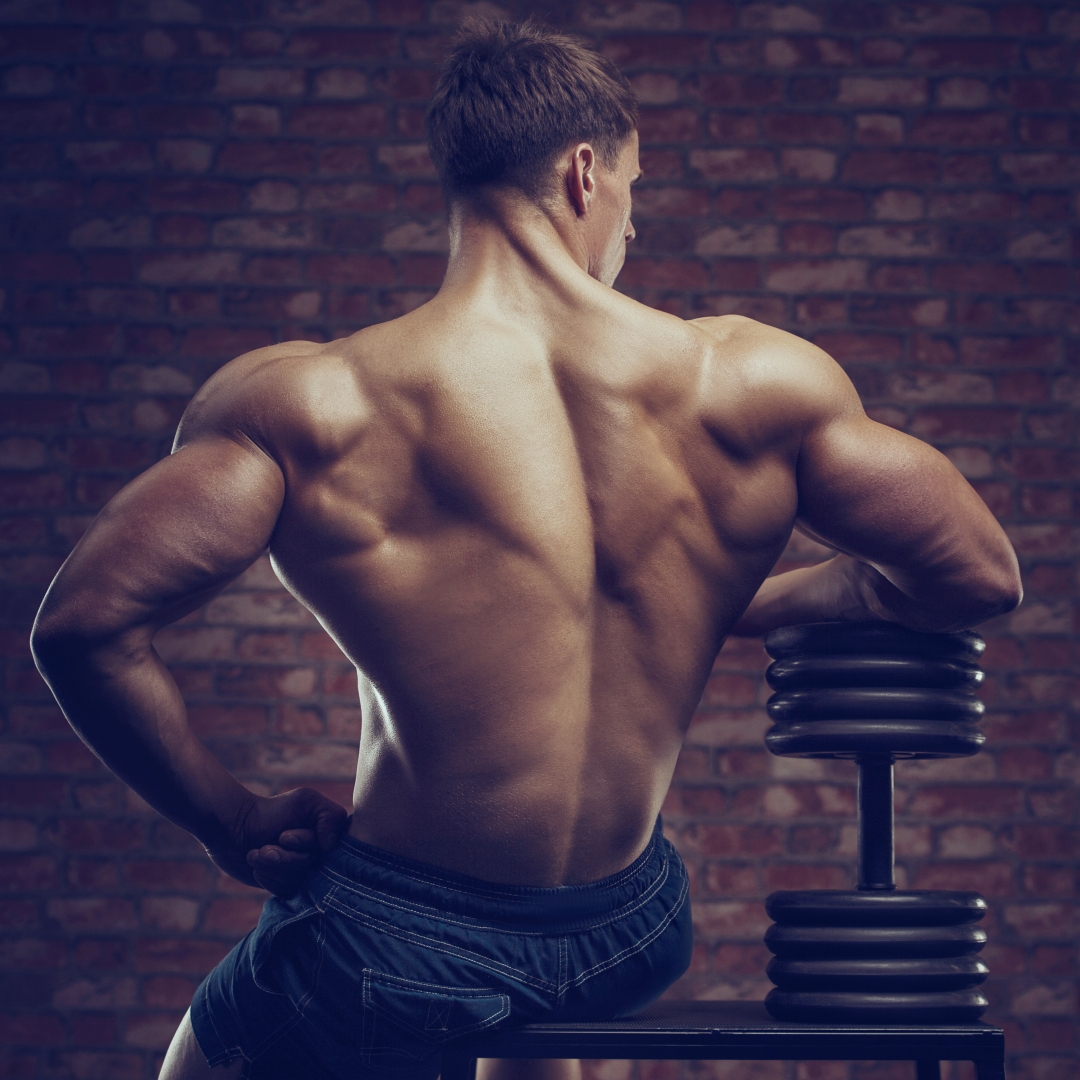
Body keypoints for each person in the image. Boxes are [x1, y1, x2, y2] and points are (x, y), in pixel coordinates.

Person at [31, 17, 1022, 1080]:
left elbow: (86, 629)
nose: (631, 224)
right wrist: (761, 600)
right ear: (586, 172)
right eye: (636, 192)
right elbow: (978, 576)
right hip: (629, 928)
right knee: (522, 1009)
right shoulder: (752, 386)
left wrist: (228, 821)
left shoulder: (317, 403)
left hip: (395, 949)